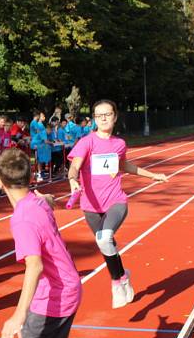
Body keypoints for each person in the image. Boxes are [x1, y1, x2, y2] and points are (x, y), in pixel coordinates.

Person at [0, 148, 108, 338]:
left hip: (57, 292)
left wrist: (18, 315)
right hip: (57, 288)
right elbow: (44, 199)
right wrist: (46, 197)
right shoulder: (34, 200)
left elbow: (33, 266)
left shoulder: (22, 220)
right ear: (29, 177)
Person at [67, 99, 169, 309]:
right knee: (106, 245)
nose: (103, 118)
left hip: (116, 201)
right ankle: (123, 276)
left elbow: (125, 166)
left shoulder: (119, 144)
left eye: (107, 114)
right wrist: (72, 179)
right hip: (91, 206)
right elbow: (75, 165)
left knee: (105, 239)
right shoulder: (87, 142)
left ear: (114, 116)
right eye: (99, 115)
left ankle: (116, 283)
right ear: (94, 119)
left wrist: (152, 175)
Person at [30, 111, 51, 182]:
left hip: (39, 142)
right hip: (36, 143)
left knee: (40, 158)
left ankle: (40, 172)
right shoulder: (34, 122)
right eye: (40, 116)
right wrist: (43, 138)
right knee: (37, 158)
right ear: (37, 116)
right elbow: (38, 132)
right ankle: (38, 173)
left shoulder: (36, 123)